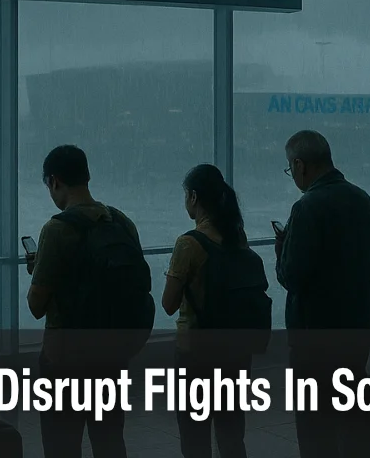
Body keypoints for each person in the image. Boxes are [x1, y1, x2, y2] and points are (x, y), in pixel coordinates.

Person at [27, 145, 152, 458]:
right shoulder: (122, 223)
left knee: (62, 446)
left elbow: (36, 306)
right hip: (112, 355)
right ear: (87, 176)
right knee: (110, 442)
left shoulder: (56, 230)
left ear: (54, 181)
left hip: (64, 360)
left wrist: (40, 269)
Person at [275, 130, 370, 458]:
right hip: (357, 335)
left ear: (300, 165)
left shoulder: (306, 207)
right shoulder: (364, 201)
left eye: (290, 168)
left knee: (315, 428)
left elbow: (292, 276)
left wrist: (282, 250)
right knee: (351, 419)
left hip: (314, 341)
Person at [161, 164, 258, 458]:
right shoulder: (238, 237)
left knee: (195, 438)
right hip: (235, 350)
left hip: (195, 354)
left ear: (193, 197)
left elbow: (168, 304)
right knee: (232, 435)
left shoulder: (188, 243)